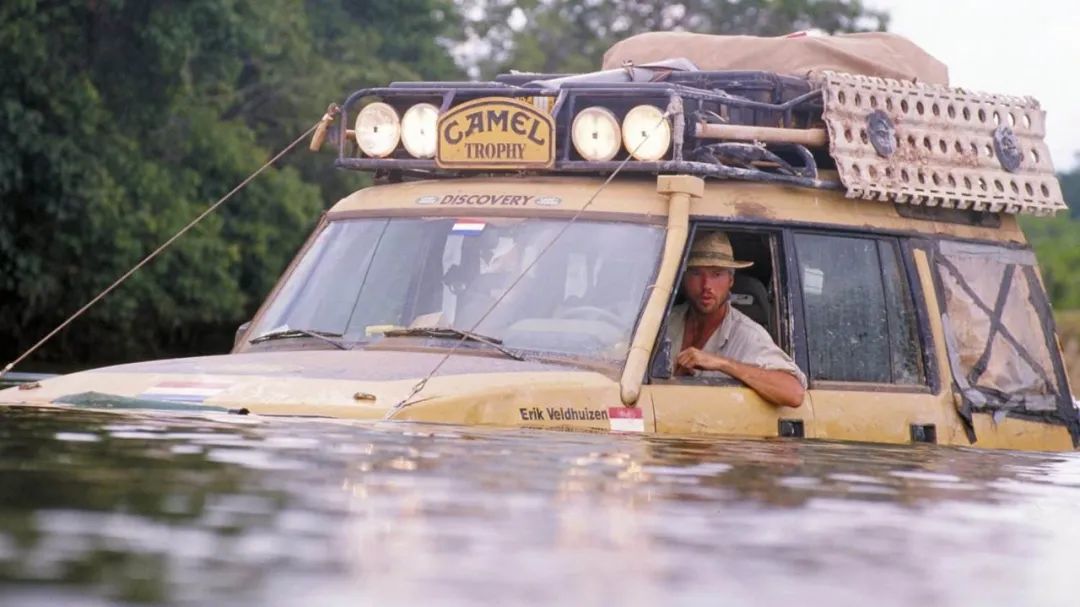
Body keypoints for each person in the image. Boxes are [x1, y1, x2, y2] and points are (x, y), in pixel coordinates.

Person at [666, 232, 807, 408]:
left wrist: (722, 364)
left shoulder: (747, 334)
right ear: (684, 278)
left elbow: (793, 393)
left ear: (730, 280)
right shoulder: (665, 322)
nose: (706, 286)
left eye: (716, 274)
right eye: (696, 273)